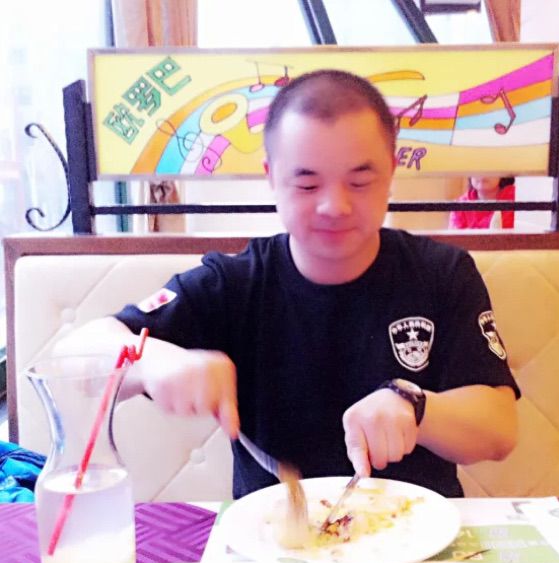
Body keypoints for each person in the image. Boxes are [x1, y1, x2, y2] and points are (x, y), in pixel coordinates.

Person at [55, 70, 519, 499]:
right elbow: (72, 359)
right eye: (308, 185)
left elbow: (500, 429)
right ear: (272, 178)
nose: (335, 206)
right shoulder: (233, 284)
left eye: (359, 182)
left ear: (391, 173)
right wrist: (150, 360)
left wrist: (414, 407)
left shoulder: (442, 273)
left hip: (419, 537)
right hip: (271, 541)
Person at [449, 177, 515, 230]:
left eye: (489, 168)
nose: (482, 174)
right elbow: (455, 240)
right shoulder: (460, 205)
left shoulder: (516, 197)